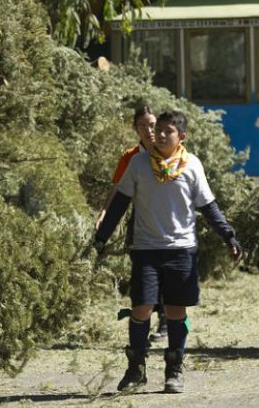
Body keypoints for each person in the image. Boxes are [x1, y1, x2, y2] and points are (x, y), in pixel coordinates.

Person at [94, 110, 242, 393]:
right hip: (146, 249)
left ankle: (174, 369)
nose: (159, 135)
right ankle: (136, 370)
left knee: (175, 310)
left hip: (181, 250)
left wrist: (229, 237)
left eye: (167, 131)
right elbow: (120, 203)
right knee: (141, 308)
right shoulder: (138, 163)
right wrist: (101, 238)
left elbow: (208, 207)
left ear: (181, 136)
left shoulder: (192, 165)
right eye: (158, 129)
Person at [95, 106, 168, 343]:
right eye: (142, 126)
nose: (149, 130)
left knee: (165, 271)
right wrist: (104, 213)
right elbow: (117, 189)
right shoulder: (129, 157)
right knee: (142, 271)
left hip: (166, 219)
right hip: (140, 219)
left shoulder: (169, 152)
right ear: (135, 129)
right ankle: (143, 323)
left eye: (152, 125)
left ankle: (165, 321)